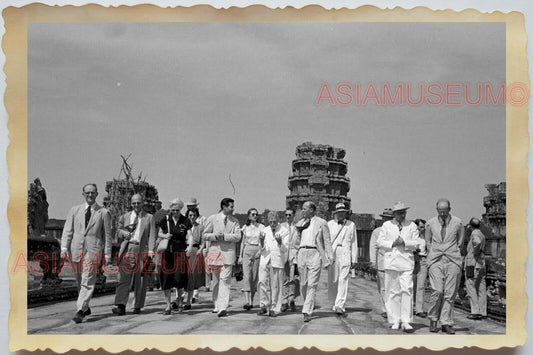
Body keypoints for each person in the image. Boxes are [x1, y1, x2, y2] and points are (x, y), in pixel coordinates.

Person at [60, 183, 112, 323]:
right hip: (76, 249)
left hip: (93, 250)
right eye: (87, 192)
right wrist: (64, 248)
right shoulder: (74, 210)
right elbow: (67, 230)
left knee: (87, 279)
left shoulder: (104, 213)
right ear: (83, 194)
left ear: (97, 194)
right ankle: (85, 306)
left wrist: (107, 254)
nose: (90, 195)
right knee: (79, 280)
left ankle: (80, 311)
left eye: (93, 192)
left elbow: (107, 235)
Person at [377, 202, 420, 333]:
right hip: (391, 261)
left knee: (407, 290)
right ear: (394, 214)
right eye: (400, 212)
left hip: (406, 262)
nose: (402, 215)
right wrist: (392, 243)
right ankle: (395, 319)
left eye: (404, 212)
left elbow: (417, 243)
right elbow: (380, 242)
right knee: (392, 291)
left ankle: (406, 320)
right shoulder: (386, 225)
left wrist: (405, 242)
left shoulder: (411, 225)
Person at [112, 194, 156, 315]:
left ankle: (138, 305)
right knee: (123, 278)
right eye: (134, 203)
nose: (136, 205)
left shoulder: (149, 217)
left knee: (140, 280)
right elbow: (118, 230)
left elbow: (152, 235)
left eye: (138, 202)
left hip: (142, 249)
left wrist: (151, 251)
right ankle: (121, 305)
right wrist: (123, 234)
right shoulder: (125, 217)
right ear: (131, 204)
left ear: (142, 203)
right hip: (128, 248)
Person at [425, 198, 465, 334]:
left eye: (445, 211)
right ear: (437, 210)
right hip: (436, 260)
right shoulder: (430, 223)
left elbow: (461, 240)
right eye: (440, 211)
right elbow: (428, 241)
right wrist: (434, 253)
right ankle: (433, 319)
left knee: (450, 293)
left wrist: (453, 251)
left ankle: (446, 322)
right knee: (437, 291)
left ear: (449, 209)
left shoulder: (458, 222)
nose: (442, 214)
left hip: (452, 260)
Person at [203, 197, 242, 317]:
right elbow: (205, 235)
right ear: (224, 207)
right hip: (215, 253)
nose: (233, 208)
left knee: (225, 280)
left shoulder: (235, 221)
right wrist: (215, 236)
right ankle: (216, 304)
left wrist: (225, 236)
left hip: (228, 253)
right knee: (215, 280)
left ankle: (223, 307)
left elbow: (238, 237)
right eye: (231, 206)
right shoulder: (213, 218)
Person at [296, 201, 334, 322]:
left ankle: (307, 311)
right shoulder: (300, 223)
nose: (302, 211)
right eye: (302, 208)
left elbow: (327, 241)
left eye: (304, 208)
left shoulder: (321, 223)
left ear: (311, 210)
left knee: (312, 284)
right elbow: (296, 241)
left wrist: (330, 256)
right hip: (302, 252)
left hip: (315, 253)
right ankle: (307, 304)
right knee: (303, 284)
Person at [157, 198, 193, 315]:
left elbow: (189, 234)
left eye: (177, 210)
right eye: (173, 210)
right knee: (166, 277)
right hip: (167, 251)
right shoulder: (166, 219)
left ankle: (180, 301)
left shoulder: (185, 220)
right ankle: (168, 305)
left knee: (179, 277)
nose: (175, 212)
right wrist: (165, 235)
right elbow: (159, 233)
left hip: (180, 251)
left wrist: (190, 245)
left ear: (181, 209)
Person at [327, 203, 358, 315]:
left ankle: (340, 304)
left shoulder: (351, 225)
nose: (340, 214)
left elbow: (354, 242)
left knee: (343, 280)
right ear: (335, 213)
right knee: (333, 280)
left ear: (345, 213)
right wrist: (326, 256)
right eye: (338, 213)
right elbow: (326, 241)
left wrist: (354, 258)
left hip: (345, 252)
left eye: (342, 212)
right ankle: (334, 302)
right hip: (333, 253)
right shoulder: (329, 224)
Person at [257, 211, 289, 317]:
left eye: (274, 221)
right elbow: (261, 248)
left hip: (277, 259)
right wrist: (261, 241)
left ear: (278, 220)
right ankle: (263, 305)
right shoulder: (264, 230)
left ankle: (274, 308)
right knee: (262, 282)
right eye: (270, 222)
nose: (272, 224)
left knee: (276, 285)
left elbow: (285, 249)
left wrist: (280, 242)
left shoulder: (284, 231)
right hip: (265, 258)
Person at [368, 208, 394, 318]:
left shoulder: (396, 230)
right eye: (385, 218)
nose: (387, 220)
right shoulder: (377, 231)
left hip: (394, 263)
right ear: (382, 219)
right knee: (383, 288)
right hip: (382, 262)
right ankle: (385, 309)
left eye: (389, 218)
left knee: (393, 288)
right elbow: (373, 246)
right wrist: (373, 261)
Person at [237, 208, 264, 310]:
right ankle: (247, 301)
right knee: (246, 275)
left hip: (257, 249)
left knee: (254, 276)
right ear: (249, 216)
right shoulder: (245, 227)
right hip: (247, 250)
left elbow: (262, 241)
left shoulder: (261, 227)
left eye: (256, 214)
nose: (255, 216)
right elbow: (243, 242)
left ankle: (252, 300)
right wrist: (240, 256)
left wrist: (260, 251)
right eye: (253, 214)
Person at [465, 217, 487, 320]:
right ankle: (483, 311)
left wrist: (474, 252)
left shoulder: (474, 234)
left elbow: (477, 243)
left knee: (471, 286)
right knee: (481, 287)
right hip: (481, 263)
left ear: (470, 226)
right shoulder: (481, 234)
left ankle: (475, 311)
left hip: (473, 263)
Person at [184, 207, 206, 309]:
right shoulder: (183, 227)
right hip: (184, 251)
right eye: (190, 215)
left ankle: (189, 300)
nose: (192, 217)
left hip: (195, 251)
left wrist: (200, 250)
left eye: (194, 215)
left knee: (192, 276)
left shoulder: (200, 227)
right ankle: (179, 299)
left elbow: (203, 241)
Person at [281, 208, 300, 312]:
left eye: (290, 215)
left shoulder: (297, 228)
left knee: (292, 278)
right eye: (286, 215)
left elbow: (298, 242)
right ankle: (284, 300)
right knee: (284, 278)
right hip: (283, 254)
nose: (288, 217)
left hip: (293, 254)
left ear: (293, 216)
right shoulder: (281, 227)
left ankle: (291, 299)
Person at [412, 219, 428, 318]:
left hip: (423, 260)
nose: (422, 229)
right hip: (412, 261)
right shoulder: (411, 237)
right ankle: (410, 307)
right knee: (411, 285)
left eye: (423, 227)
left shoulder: (425, 238)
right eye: (421, 226)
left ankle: (419, 309)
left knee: (421, 286)